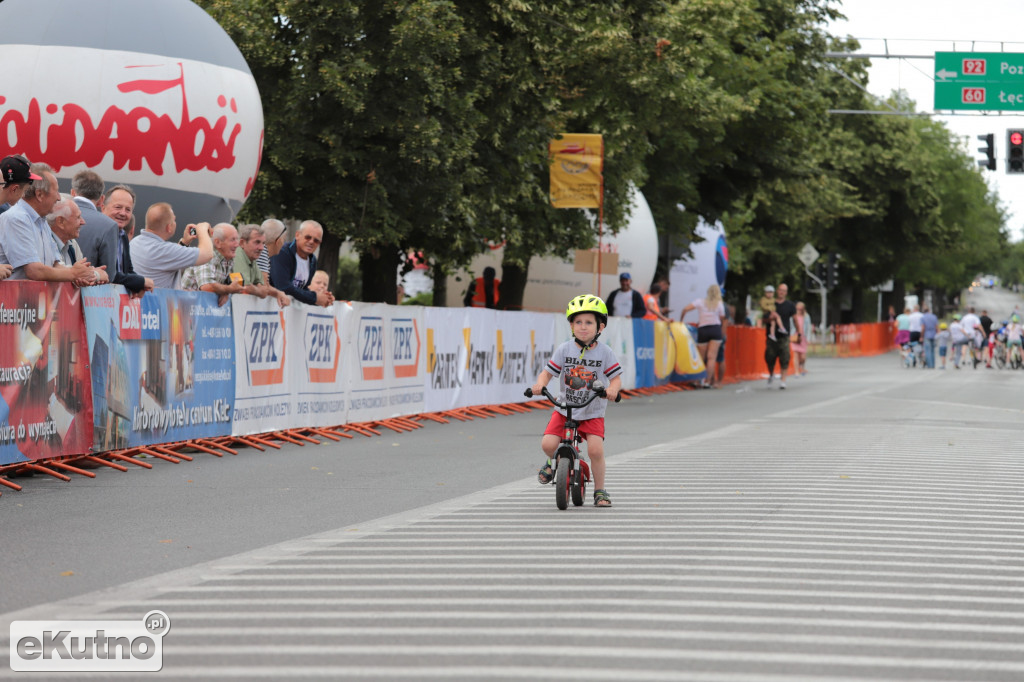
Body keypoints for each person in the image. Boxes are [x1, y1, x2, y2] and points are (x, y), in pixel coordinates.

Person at [532, 295, 621, 507]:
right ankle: (552, 461)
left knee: (595, 451)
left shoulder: (605, 352)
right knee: (548, 444)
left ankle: (600, 491)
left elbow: (615, 378)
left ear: (600, 326)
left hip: (592, 409)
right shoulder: (564, 349)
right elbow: (547, 373)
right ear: (571, 325)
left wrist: (612, 390)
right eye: (578, 322)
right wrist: (539, 384)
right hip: (565, 408)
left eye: (589, 322)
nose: (583, 327)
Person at [0, 163, 91, 282]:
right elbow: (34, 271)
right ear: (39, 195)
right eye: (56, 192)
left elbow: (55, 265)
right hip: (15, 300)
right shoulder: (16, 218)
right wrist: (73, 274)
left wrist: (81, 275)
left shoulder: (42, 221)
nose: (59, 198)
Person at [71, 172, 151, 297]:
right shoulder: (99, 227)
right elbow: (109, 274)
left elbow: (128, 270)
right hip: (90, 298)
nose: (123, 213)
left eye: (128, 209)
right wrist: (140, 282)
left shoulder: (123, 235)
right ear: (102, 206)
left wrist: (139, 286)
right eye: (118, 207)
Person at [129, 202, 214, 289]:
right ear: (169, 227)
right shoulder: (163, 250)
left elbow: (168, 259)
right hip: (159, 302)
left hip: (137, 301)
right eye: (174, 220)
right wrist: (202, 230)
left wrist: (184, 243)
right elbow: (207, 254)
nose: (175, 222)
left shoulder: (134, 242)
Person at [269, 219, 334, 307]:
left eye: (316, 240)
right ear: (297, 235)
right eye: (308, 237)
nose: (311, 242)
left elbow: (302, 291)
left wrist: (324, 299)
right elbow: (283, 287)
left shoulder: (312, 261)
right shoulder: (282, 252)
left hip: (287, 312)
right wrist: (315, 298)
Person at [46, 196, 107, 286]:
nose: (83, 222)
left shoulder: (72, 243)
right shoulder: (46, 241)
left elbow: (82, 272)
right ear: (60, 222)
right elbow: (69, 272)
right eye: (78, 217)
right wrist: (97, 274)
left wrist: (93, 275)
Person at [180, 223, 245, 306]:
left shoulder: (229, 259)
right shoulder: (206, 257)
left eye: (237, 239)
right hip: (185, 309)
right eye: (232, 240)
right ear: (218, 243)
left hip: (200, 310)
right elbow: (207, 286)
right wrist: (229, 289)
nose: (237, 244)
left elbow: (223, 285)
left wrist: (226, 292)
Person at [679, 284, 726, 388]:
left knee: (701, 357)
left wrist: (681, 321)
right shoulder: (719, 304)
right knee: (711, 357)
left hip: (703, 329)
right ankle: (708, 381)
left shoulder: (700, 301)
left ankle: (697, 380)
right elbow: (722, 317)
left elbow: (685, 309)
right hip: (715, 329)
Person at [233, 224, 290, 307]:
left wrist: (260, 290)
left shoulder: (253, 260)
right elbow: (242, 286)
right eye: (257, 242)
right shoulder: (238, 254)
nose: (262, 248)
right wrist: (259, 291)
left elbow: (264, 288)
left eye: (263, 243)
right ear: (242, 243)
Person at [764, 282, 796, 389]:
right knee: (769, 357)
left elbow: (795, 319)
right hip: (771, 336)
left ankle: (783, 381)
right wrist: (770, 318)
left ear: (786, 293)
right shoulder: (771, 303)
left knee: (785, 357)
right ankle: (771, 374)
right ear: (777, 291)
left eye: (784, 290)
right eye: (780, 290)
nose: (781, 292)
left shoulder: (790, 305)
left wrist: (799, 333)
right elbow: (764, 318)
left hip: (784, 336)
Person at [257, 218, 287, 285]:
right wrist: (279, 294)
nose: (284, 243)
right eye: (284, 239)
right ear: (278, 241)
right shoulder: (262, 253)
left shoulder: (258, 249)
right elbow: (262, 286)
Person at [790, 301, 811, 375]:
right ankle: (796, 371)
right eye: (797, 309)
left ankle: (801, 366)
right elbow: (790, 326)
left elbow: (808, 328)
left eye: (800, 309)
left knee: (803, 357)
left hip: (803, 337)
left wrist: (808, 338)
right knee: (795, 354)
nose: (799, 310)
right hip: (795, 336)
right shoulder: (793, 316)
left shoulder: (806, 316)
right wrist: (790, 335)